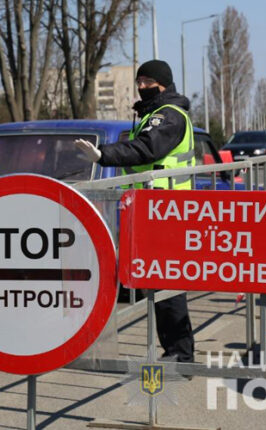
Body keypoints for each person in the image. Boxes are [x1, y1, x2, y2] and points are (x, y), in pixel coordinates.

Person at [73, 59, 195, 363]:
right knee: (158, 282)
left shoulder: (169, 116)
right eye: (138, 82)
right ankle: (175, 352)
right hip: (154, 211)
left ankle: (180, 355)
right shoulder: (154, 114)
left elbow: (146, 149)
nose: (141, 87)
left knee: (167, 285)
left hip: (169, 212)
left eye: (147, 82)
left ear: (163, 84)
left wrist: (103, 155)